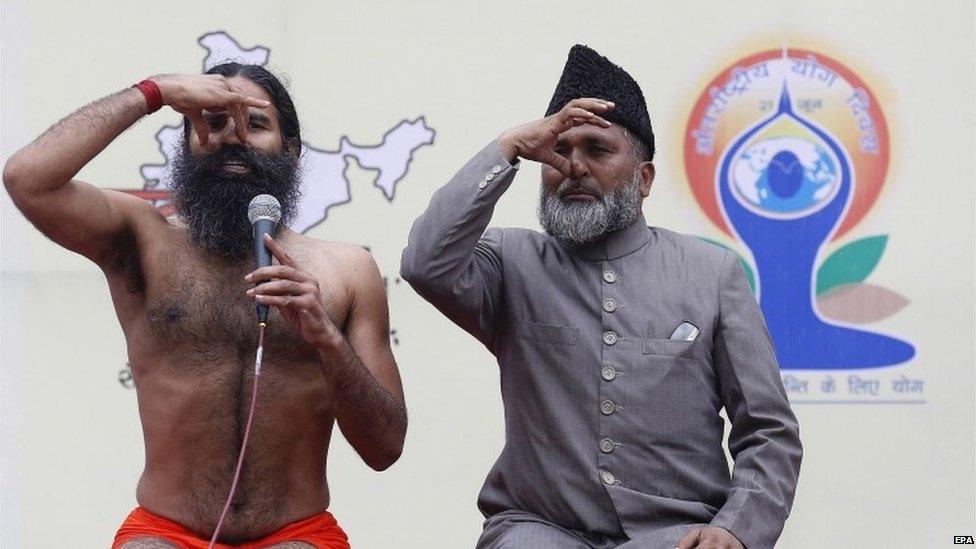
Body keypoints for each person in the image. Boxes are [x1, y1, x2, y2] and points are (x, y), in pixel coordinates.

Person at [400, 45, 801, 549]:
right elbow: (424, 262)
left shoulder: (711, 273)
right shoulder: (510, 261)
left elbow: (767, 430)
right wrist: (508, 147)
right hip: (538, 528)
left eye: (598, 150)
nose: (573, 167)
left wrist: (735, 529)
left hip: (676, 533)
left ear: (645, 178)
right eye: (558, 150)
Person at [3, 63, 407, 548]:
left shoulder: (348, 270)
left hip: (297, 534)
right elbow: (27, 179)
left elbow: (385, 447)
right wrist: (156, 92)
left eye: (256, 125)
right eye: (213, 123)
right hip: (164, 532)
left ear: (292, 154)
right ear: (188, 145)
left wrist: (326, 337)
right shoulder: (142, 239)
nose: (232, 138)